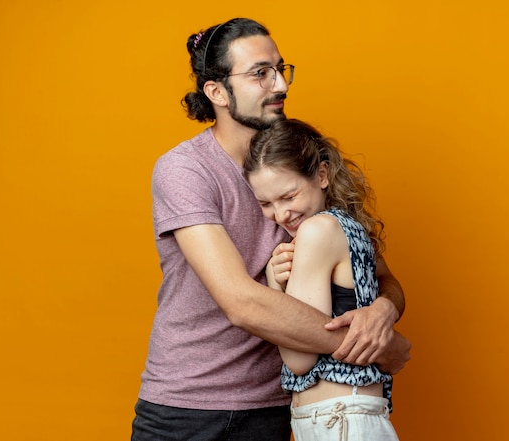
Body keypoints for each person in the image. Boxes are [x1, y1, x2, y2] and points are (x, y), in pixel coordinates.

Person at [131, 17, 410, 441]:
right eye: (260, 73)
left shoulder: (296, 161)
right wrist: (374, 348)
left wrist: (383, 311)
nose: (280, 84)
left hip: (276, 409)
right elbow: (241, 302)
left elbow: (381, 277)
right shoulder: (185, 170)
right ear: (217, 92)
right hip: (188, 406)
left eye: (281, 69)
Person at [244, 118, 399, 441]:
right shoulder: (346, 226)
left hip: (338, 420)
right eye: (265, 204)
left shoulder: (316, 231)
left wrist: (275, 283)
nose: (280, 214)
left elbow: (299, 359)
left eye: (289, 196)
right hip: (346, 415)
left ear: (322, 176)